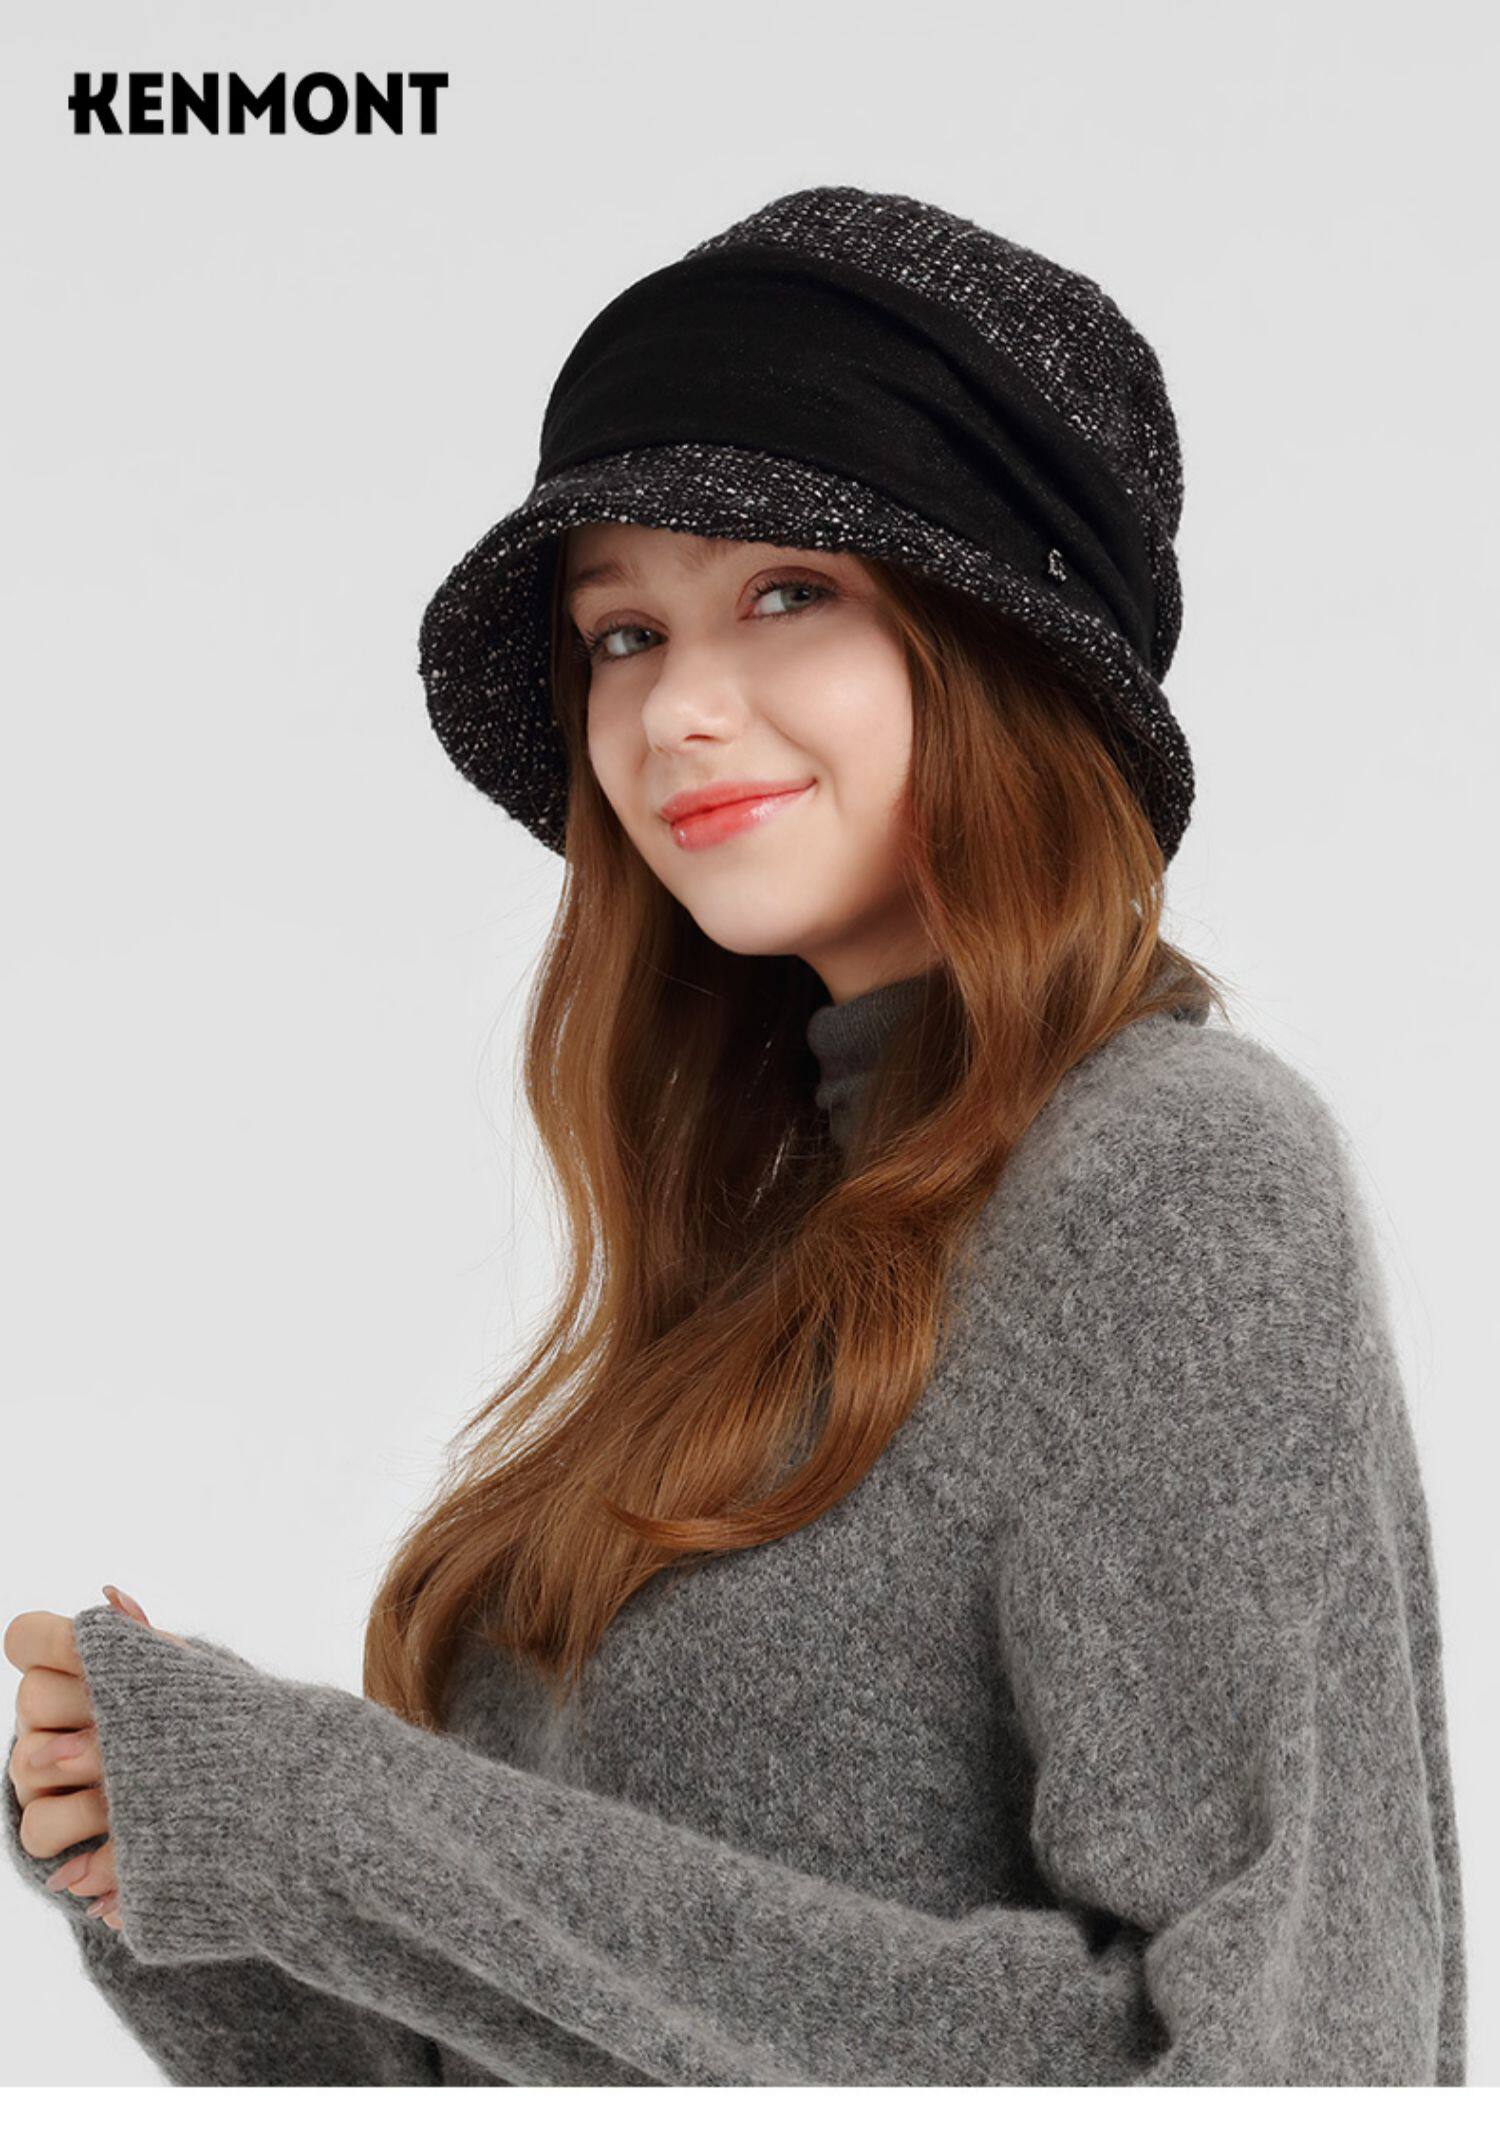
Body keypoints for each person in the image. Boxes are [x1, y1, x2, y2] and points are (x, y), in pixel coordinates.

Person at [5, 184, 1466, 2085]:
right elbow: (524, 2067)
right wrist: (170, 1857)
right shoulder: (768, 1242)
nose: (678, 710)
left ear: (1001, 640)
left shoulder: (1172, 1176)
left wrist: (338, 1823)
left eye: (787, 594)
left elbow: (1285, 2065)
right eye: (622, 631)